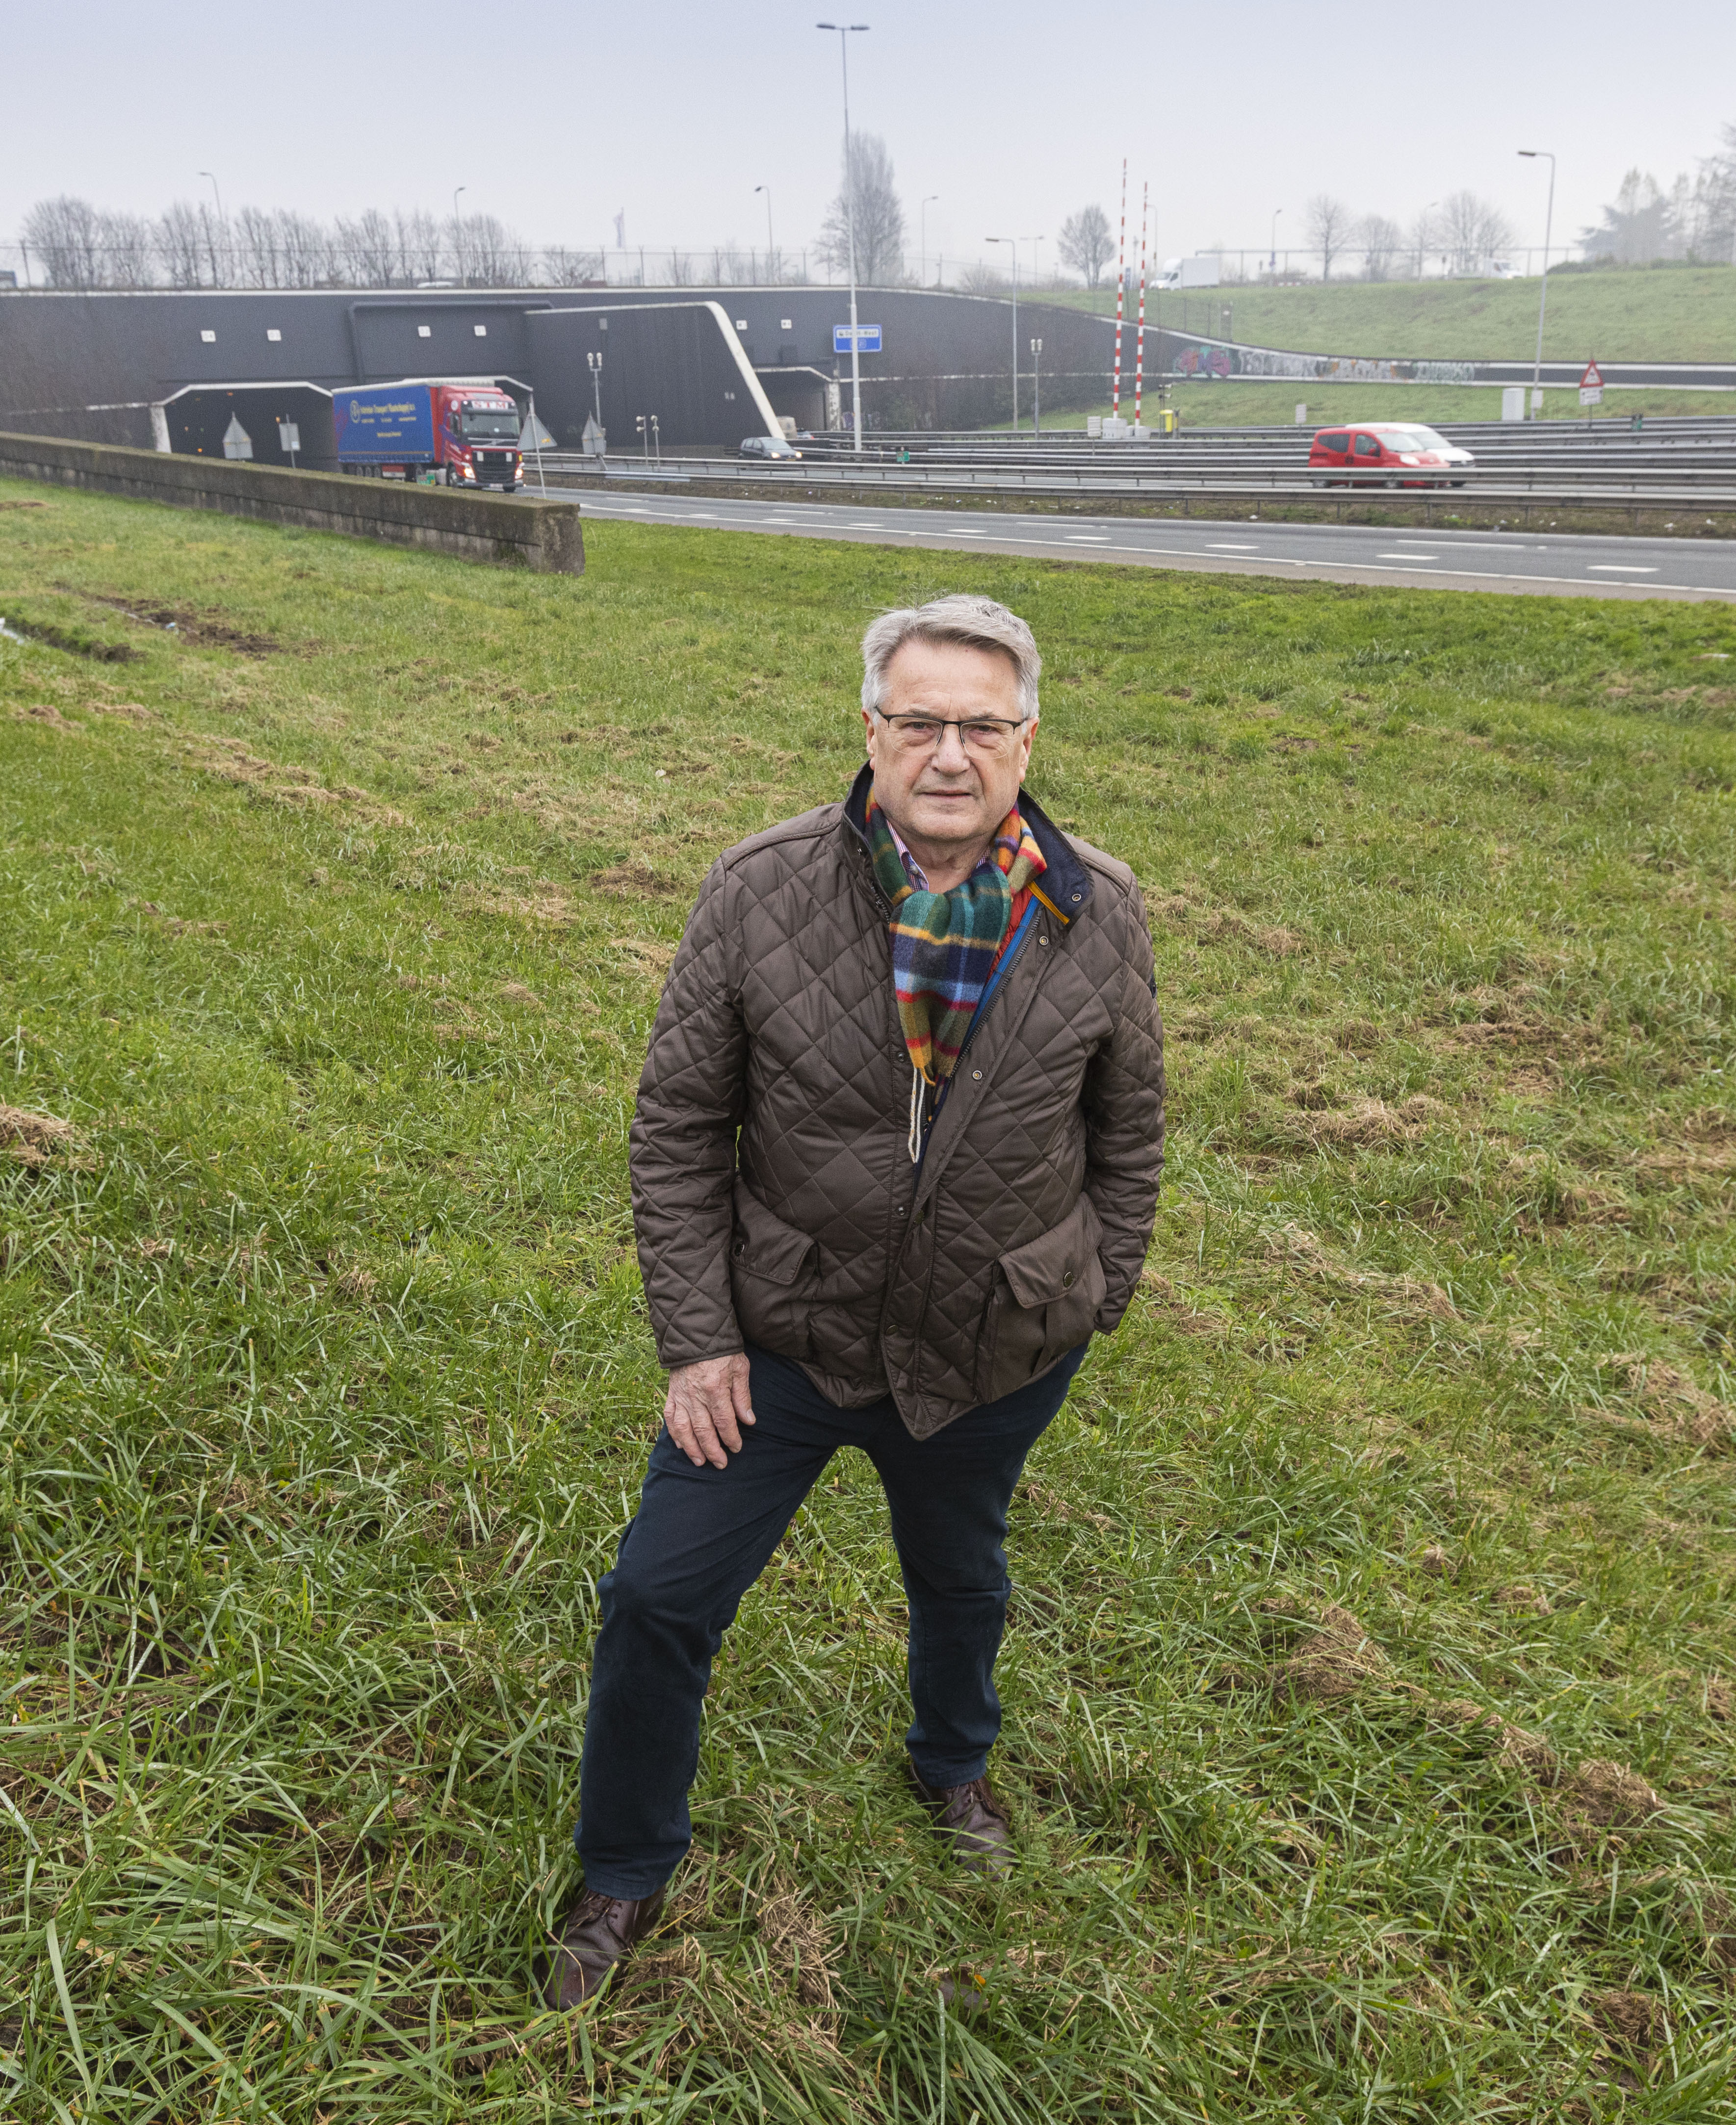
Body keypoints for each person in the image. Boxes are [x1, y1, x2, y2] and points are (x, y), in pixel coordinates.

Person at [542, 594, 1166, 2009]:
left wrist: (1095, 1290)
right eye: (922, 720)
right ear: (871, 732)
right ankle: (625, 1868)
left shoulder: (1098, 905)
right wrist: (699, 1339)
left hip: (991, 1344)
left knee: (962, 1575)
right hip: (785, 1341)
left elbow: (1127, 1128)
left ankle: (952, 1766)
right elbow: (680, 1128)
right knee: (657, 1595)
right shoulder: (759, 886)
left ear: (1027, 738)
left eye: (984, 724)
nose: (953, 752)